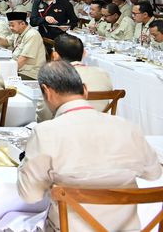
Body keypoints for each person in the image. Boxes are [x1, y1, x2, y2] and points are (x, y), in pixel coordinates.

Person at [18, 61, 161, 232]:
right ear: (85, 90)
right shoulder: (127, 127)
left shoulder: (46, 133)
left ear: (47, 92)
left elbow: (29, 195)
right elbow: (154, 174)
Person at [36, 34, 113, 122]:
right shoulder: (103, 74)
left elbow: (43, 115)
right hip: (99, 125)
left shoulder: (56, 76)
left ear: (55, 55)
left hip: (63, 128)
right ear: (84, 53)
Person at [0, 12, 46, 79]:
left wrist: (8, 72)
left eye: (12, 25)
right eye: (9, 25)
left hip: (29, 73)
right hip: (18, 68)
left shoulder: (32, 35)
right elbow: (7, 42)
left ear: (22, 24)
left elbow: (23, 59)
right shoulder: (17, 32)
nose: (10, 28)